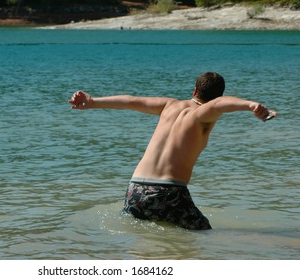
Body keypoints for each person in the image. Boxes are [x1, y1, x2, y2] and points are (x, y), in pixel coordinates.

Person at [68, 72, 276, 230]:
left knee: (148, 247)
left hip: (135, 191)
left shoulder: (169, 105)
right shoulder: (202, 115)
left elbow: (131, 101)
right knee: (205, 238)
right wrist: (251, 105)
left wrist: (93, 102)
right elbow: (220, 104)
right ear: (214, 97)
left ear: (194, 91)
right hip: (167, 192)